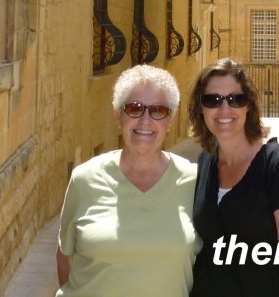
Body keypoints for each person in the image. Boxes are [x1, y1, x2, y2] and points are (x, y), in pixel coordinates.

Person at [55, 65, 200, 296]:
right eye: (134, 108)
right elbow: (65, 255)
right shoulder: (84, 179)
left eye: (158, 110)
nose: (145, 120)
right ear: (117, 114)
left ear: (170, 119)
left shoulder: (194, 181)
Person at [187, 58, 279, 297]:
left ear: (249, 106)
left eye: (236, 99)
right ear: (200, 107)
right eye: (212, 100)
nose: (224, 109)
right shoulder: (205, 161)